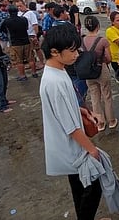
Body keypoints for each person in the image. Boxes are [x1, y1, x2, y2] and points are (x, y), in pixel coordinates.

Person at [39, 23, 102, 220]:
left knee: (79, 188)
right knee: (93, 188)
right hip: (72, 147)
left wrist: (80, 109)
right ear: (55, 52)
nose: (77, 54)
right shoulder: (55, 82)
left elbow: (63, 109)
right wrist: (92, 150)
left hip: (71, 145)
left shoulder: (57, 71)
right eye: (73, 50)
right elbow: (71, 128)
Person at [82, 15, 117, 131]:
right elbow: (108, 58)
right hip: (101, 69)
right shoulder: (102, 41)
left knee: (94, 96)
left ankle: (100, 123)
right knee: (106, 95)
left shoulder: (82, 40)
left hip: (88, 71)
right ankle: (111, 120)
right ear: (98, 26)